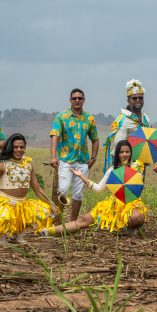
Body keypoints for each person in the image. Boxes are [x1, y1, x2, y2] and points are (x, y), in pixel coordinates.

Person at [46, 140, 147, 236]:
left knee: (136, 218)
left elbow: (139, 186)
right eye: (121, 152)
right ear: (117, 154)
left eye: (127, 152)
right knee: (83, 220)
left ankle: (127, 226)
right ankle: (48, 231)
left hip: (132, 204)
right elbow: (98, 188)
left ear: (131, 153)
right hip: (113, 206)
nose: (124, 154)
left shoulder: (136, 168)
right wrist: (81, 175)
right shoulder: (112, 171)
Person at [0, 133, 54, 243]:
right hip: (4, 203)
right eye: (15, 147)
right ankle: (1, 235)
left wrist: (52, 205)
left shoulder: (28, 164)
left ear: (25, 147)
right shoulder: (3, 165)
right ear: (10, 148)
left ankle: (19, 233)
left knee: (44, 211)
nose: (18, 150)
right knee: (4, 216)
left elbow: (37, 189)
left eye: (21, 147)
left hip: (22, 203)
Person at [49, 88, 100, 222]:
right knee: (63, 190)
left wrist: (93, 158)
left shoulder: (89, 118)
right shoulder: (62, 117)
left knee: (78, 194)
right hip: (66, 161)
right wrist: (53, 156)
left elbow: (95, 139)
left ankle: (73, 223)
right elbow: (55, 135)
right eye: (74, 98)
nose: (77, 100)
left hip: (82, 162)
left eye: (80, 98)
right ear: (70, 100)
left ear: (83, 100)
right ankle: (57, 220)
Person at [103, 79, 151, 169]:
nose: (138, 100)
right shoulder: (123, 119)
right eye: (134, 98)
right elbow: (118, 145)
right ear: (128, 100)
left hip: (140, 162)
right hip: (125, 163)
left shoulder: (146, 118)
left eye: (140, 98)